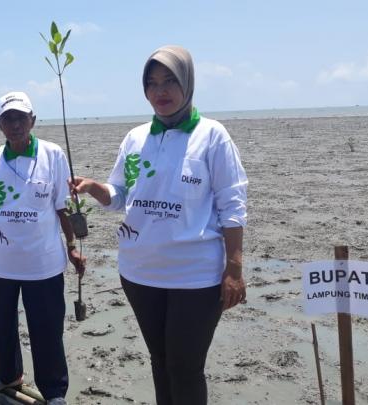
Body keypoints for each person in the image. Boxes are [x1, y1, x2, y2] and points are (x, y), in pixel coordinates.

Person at [71, 45, 248, 405]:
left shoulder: (213, 136)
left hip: (195, 276)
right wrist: (93, 188)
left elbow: (233, 205)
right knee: (160, 360)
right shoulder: (136, 138)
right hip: (140, 273)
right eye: (151, 83)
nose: (160, 91)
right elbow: (119, 194)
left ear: (187, 83)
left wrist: (234, 268)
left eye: (169, 81)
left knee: (186, 367)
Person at [0, 91, 86, 405]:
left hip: (42, 262)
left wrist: (72, 247)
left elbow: (63, 207)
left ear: (33, 120)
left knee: (46, 328)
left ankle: (54, 392)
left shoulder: (53, 154)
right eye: (8, 118)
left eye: (21, 117)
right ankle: (8, 374)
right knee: (3, 322)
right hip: (1, 261)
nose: (15, 124)